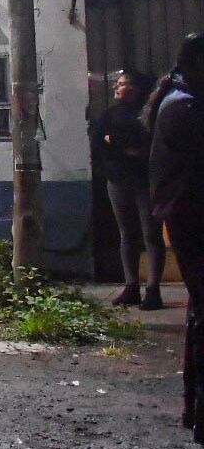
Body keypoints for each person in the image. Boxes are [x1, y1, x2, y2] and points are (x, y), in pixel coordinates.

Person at [147, 31, 204, 442]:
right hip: (192, 219)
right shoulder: (185, 108)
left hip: (186, 217)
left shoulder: (178, 101)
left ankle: (194, 408)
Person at [96, 70, 164, 309]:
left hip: (146, 182)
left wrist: (115, 142)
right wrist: (122, 147)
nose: (116, 87)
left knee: (151, 234)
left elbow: (147, 145)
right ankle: (132, 286)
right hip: (118, 180)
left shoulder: (149, 113)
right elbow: (100, 142)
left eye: (121, 84)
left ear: (134, 89)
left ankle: (153, 290)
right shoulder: (110, 114)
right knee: (127, 234)